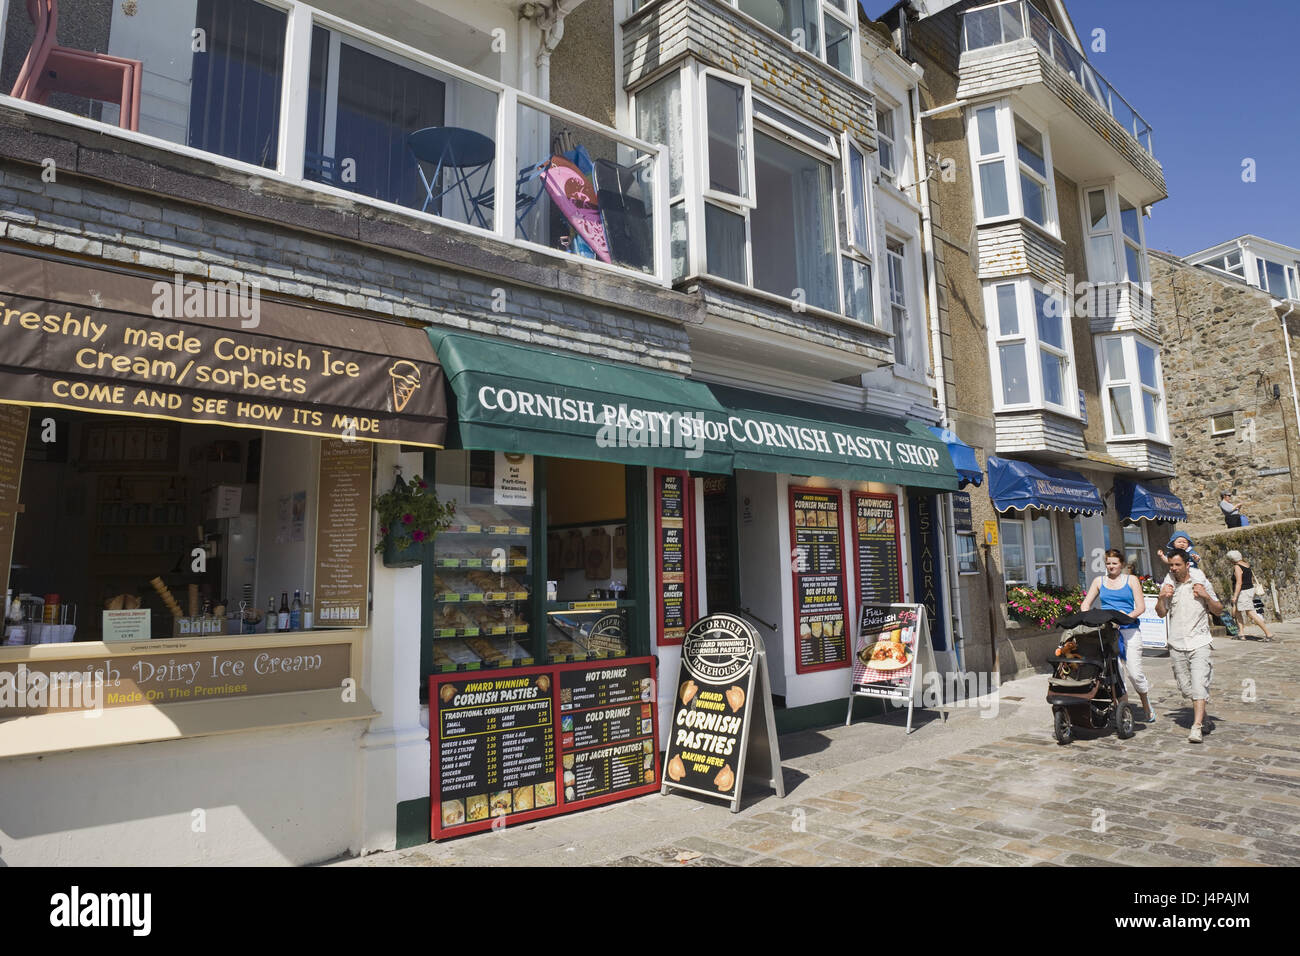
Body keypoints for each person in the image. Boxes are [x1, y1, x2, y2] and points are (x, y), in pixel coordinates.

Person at [1155, 548, 1222, 743]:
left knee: (1199, 684)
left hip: (1199, 642)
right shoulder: (1168, 586)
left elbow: (1218, 610)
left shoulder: (1200, 583)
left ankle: (1197, 726)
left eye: (1177, 565)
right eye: (1171, 565)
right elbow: (1160, 613)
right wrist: (1161, 598)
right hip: (1176, 644)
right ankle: (1205, 717)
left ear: (1186, 565)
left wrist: (1206, 597)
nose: (1174, 568)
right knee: (1186, 688)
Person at [1081, 548, 1155, 722]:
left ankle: (1145, 702)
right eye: (1108, 563)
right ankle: (1124, 712)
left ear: (1121, 564)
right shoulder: (1099, 581)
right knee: (1116, 674)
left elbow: (1140, 607)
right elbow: (1085, 604)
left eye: (1114, 563)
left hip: (1129, 630)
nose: (1111, 566)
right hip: (1108, 632)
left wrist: (1123, 618)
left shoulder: (1131, 580)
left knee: (1134, 673)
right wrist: (1088, 617)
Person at [1227, 549, 1274, 641]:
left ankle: (1268, 633)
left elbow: (1239, 582)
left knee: (1250, 613)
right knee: (1237, 612)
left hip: (1243, 592)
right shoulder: (1246, 564)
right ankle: (1241, 633)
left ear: (1231, 560)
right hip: (1249, 590)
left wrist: (1235, 596)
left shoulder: (1237, 567)